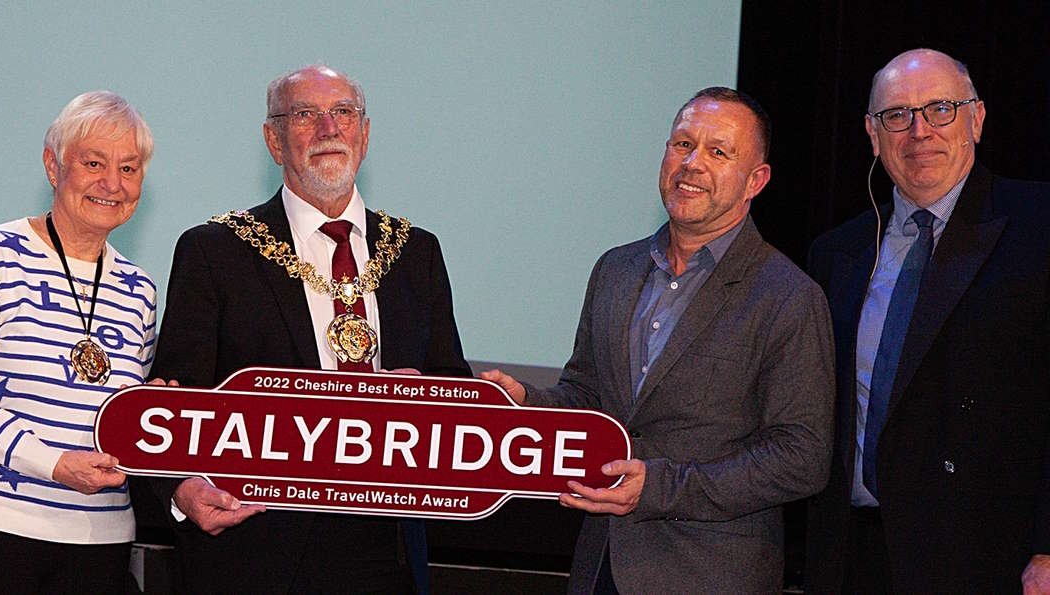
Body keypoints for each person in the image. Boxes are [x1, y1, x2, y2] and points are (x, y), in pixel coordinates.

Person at [482, 87, 835, 593]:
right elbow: (588, 397)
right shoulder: (615, 269)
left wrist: (663, 487)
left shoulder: (789, 296)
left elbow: (801, 457)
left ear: (756, 180)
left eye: (718, 152)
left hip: (711, 576)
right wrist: (527, 404)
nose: (692, 164)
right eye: (682, 144)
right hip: (600, 565)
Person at [140, 64, 470, 593]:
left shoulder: (416, 252)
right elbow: (172, 398)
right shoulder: (214, 250)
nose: (328, 128)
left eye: (343, 113)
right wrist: (178, 489)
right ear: (273, 140)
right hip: (256, 553)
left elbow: (452, 385)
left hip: (388, 553)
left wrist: (431, 396)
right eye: (304, 115)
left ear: (364, 133)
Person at [804, 48, 1050, 594]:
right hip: (851, 558)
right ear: (873, 134)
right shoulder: (835, 254)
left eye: (940, 108)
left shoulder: (1038, 228)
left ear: (976, 119)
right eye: (897, 115)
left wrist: (1047, 548)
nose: (919, 131)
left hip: (990, 560)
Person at [0, 91, 156, 593]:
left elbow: (129, 413)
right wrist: (51, 463)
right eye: (93, 163)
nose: (113, 183)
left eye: (129, 169)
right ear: (53, 165)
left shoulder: (141, 289)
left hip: (102, 539)